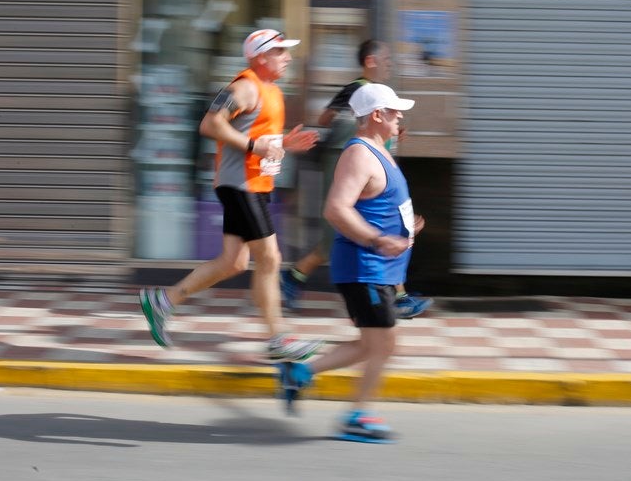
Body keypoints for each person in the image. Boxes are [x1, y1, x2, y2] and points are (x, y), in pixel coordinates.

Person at [139, 28, 322, 363]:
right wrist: (255, 146)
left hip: (255, 184)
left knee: (234, 262)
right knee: (270, 259)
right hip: (241, 185)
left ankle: (163, 301)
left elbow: (258, 138)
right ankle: (277, 337)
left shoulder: (272, 91)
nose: (288, 57)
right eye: (281, 51)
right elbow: (210, 124)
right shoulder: (245, 86)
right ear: (260, 56)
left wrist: (285, 144)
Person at [279, 83, 424, 443]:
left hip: (379, 268)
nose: (400, 116)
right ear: (376, 115)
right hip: (365, 267)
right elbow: (335, 209)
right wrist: (378, 239)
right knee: (384, 345)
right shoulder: (359, 154)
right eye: (393, 111)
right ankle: (357, 416)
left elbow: (381, 201)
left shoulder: (381, 150)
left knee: (371, 344)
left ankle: (300, 374)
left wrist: (405, 226)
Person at [280, 40, 432, 319]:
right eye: (386, 59)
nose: (390, 64)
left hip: (380, 174)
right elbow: (325, 118)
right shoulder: (357, 90)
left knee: (390, 229)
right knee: (339, 236)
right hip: (356, 169)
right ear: (371, 61)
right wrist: (352, 127)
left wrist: (390, 135)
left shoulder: (376, 93)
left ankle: (398, 295)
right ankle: (295, 276)